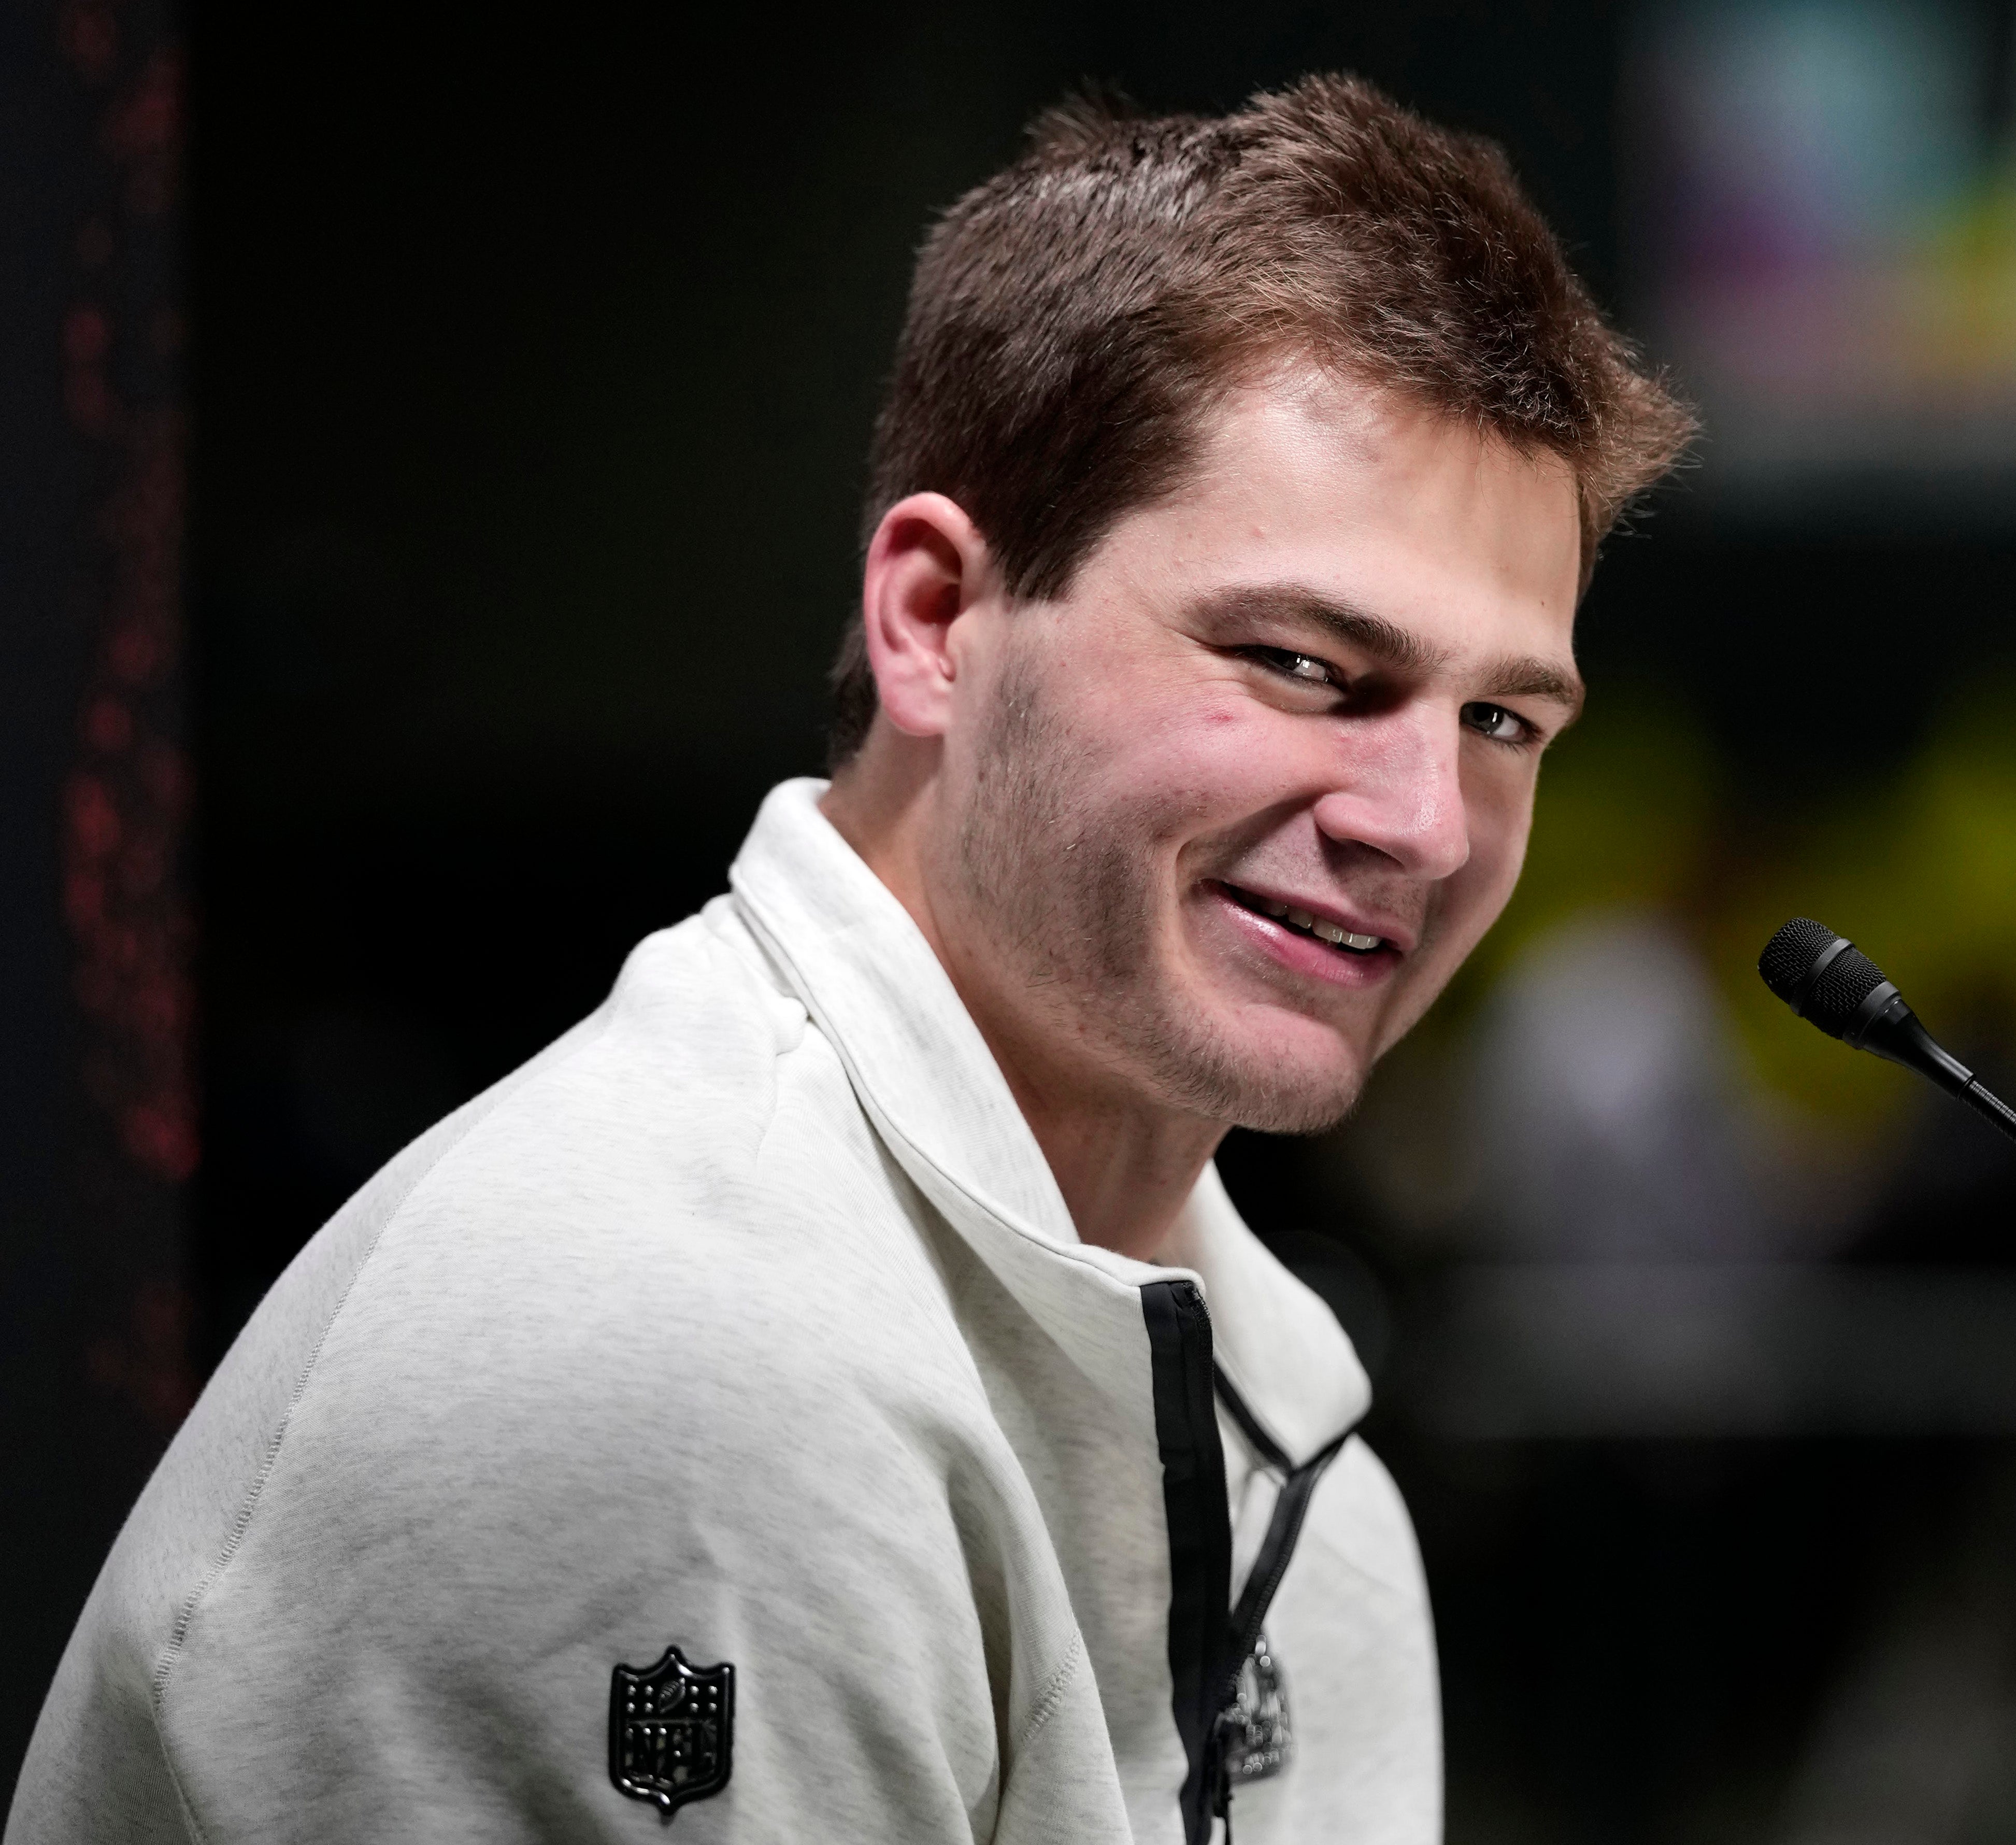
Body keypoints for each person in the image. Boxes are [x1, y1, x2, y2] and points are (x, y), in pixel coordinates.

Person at [8, 74, 1692, 1844]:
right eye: (1299, 664)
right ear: (936, 623)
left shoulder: (1296, 1457)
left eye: (1502, 715)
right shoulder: (666, 1350)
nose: (1427, 819)